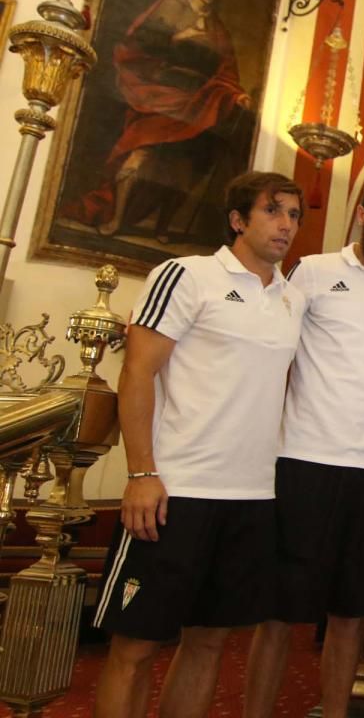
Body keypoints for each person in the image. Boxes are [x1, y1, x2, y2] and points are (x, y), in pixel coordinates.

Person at [92, 171, 305, 718]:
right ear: (238, 219)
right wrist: (141, 474)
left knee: (209, 641)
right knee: (135, 646)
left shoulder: (293, 299)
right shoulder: (186, 275)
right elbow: (136, 374)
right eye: (273, 211)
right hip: (175, 492)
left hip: (252, 497)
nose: (286, 225)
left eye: (295, 215)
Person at [243, 172, 364, 718]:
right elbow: (274, 354)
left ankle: (333, 712)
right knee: (280, 612)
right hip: (304, 462)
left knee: (353, 614)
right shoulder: (314, 272)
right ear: (361, 215)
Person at [64, 0, 252, 244]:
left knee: (181, 167)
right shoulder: (170, 6)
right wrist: (177, 38)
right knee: (140, 152)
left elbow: (226, 70)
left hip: (196, 102)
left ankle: (162, 226)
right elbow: (140, 41)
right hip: (161, 92)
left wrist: (237, 94)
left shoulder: (218, 29)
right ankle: (115, 217)